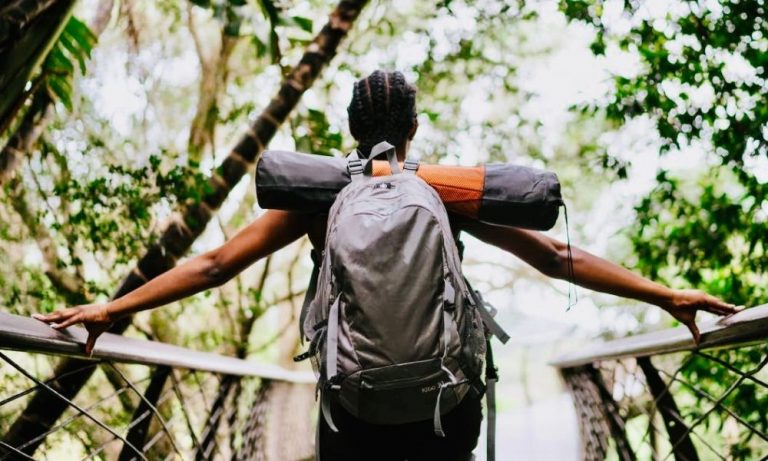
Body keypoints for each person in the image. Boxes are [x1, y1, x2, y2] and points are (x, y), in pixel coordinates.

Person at [34, 70, 740, 460]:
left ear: (349, 128)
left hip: (353, 407)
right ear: (411, 130)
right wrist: (663, 295)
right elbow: (557, 256)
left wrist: (113, 309)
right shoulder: (447, 192)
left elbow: (216, 264)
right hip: (447, 403)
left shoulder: (320, 195)